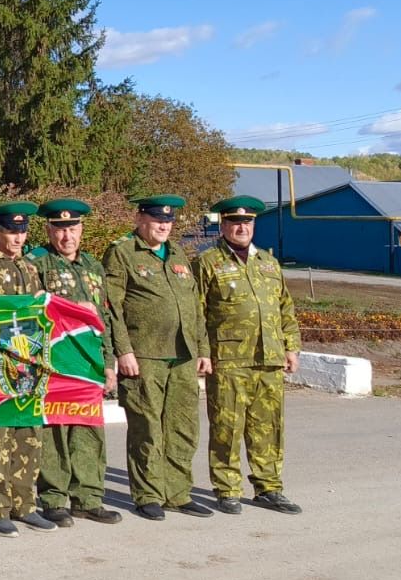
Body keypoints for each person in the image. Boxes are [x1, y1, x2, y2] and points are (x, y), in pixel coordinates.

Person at [102, 196, 211, 521]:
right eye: (156, 219)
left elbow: (195, 307)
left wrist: (202, 349)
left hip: (182, 356)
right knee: (147, 428)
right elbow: (112, 308)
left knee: (182, 427)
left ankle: (178, 492)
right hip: (144, 355)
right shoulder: (122, 253)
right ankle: (148, 494)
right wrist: (123, 350)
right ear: (140, 219)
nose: (164, 225)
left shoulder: (177, 253)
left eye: (169, 220)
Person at [194, 196, 304, 516]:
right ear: (223, 225)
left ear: (254, 225)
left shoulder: (268, 263)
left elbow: (285, 308)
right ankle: (227, 488)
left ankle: (269, 487)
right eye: (234, 222)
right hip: (228, 359)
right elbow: (196, 313)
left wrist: (291, 346)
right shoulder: (208, 262)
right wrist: (203, 352)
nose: (242, 228)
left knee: (268, 426)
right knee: (227, 428)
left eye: (247, 222)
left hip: (269, 358)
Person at [27, 199, 121, 525]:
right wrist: (70, 307)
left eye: (72, 228)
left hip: (89, 362)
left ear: (81, 229)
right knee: (55, 431)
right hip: (54, 361)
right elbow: (29, 311)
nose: (66, 236)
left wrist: (109, 362)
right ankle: (54, 499)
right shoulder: (36, 264)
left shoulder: (94, 267)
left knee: (88, 430)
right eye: (59, 228)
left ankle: (88, 497)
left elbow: (104, 318)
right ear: (49, 229)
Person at [0, 201, 54, 537]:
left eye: (22, 230)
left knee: (29, 436)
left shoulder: (30, 265)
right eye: (11, 229)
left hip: (30, 365)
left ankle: (26, 504)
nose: (18, 236)